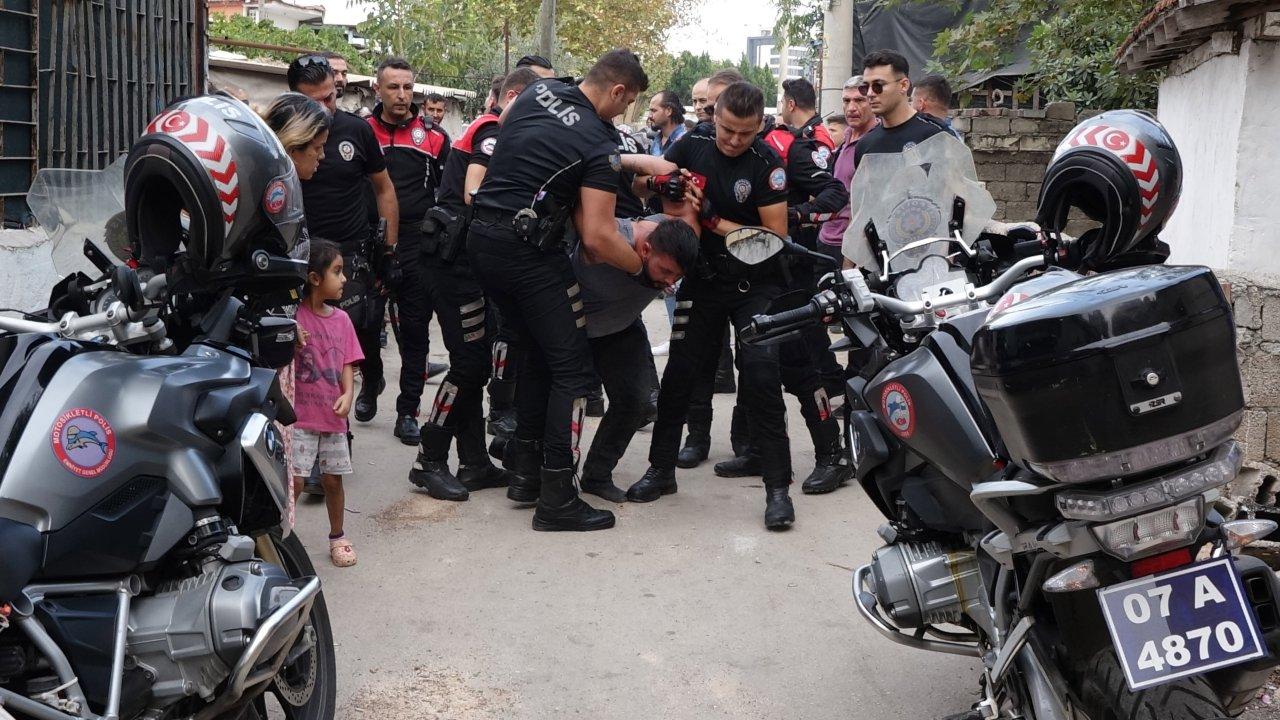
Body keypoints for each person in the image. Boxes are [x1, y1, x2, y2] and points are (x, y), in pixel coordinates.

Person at [468, 48, 648, 532]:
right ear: (617, 91)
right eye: (627, 103)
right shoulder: (598, 140)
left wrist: (630, 166)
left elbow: (535, 151)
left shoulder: (535, 92)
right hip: (528, 253)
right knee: (574, 372)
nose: (623, 113)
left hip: (481, 238)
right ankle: (558, 498)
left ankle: (525, 476)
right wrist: (644, 273)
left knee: (538, 358)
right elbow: (598, 236)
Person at [630, 81, 798, 530]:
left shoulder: (768, 163)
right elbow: (643, 184)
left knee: (761, 375)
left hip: (755, 285)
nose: (733, 140)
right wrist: (655, 184)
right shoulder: (696, 141)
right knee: (681, 373)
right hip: (702, 281)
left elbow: (775, 238)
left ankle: (778, 489)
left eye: (744, 133)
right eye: (727, 129)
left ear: (759, 126)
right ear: (714, 117)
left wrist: (713, 221)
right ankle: (661, 469)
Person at [407, 66, 540, 502]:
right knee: (469, 365)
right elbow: (474, 192)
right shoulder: (492, 130)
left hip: (468, 263)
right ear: (515, 95)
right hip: (453, 264)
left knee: (475, 361)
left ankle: (475, 462)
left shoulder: (500, 131)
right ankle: (429, 458)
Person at [713, 76, 848, 495]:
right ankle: (755, 448)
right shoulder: (717, 150)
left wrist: (793, 217)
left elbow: (835, 192)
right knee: (754, 365)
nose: (734, 137)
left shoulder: (794, 149)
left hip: (789, 274)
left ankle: (834, 455)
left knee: (800, 367)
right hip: (750, 275)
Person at [288, 55, 401, 428]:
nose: (324, 109)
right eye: (313, 102)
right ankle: (335, 430)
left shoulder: (356, 131)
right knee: (315, 342)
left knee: (360, 331)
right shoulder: (282, 134)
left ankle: (371, 379)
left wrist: (389, 250)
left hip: (350, 253)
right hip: (301, 254)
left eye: (329, 98)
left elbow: (384, 189)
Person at [574, 191, 701, 503]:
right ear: (645, 250)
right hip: (571, 327)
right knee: (565, 403)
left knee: (635, 399)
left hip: (620, 327)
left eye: (677, 276)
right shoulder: (604, 240)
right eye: (666, 272)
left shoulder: (673, 239)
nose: (669, 282)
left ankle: (597, 474)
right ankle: (542, 470)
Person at [367, 57, 452, 445]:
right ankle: (370, 382)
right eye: (393, 87)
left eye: (407, 88)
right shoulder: (361, 131)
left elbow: (449, 190)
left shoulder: (434, 136)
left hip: (418, 244)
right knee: (365, 325)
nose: (402, 96)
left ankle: (407, 411)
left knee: (415, 330)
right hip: (369, 243)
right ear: (377, 89)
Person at [291, 239, 365, 567]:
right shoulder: (293, 318)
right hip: (300, 418)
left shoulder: (342, 320)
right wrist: (292, 338)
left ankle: (337, 536)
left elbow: (348, 362)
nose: (345, 278)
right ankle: (279, 538)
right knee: (294, 480)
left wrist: (348, 395)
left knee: (333, 480)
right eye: (337, 271)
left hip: (333, 418)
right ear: (314, 278)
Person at [854, 50, 949, 169]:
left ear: (904, 85)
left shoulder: (935, 135)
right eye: (865, 87)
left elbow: (953, 185)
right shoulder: (864, 145)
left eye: (878, 86)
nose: (870, 93)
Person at [818, 75, 876, 262]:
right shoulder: (847, 136)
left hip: (851, 249)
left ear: (871, 102)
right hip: (826, 238)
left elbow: (865, 207)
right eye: (846, 100)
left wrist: (849, 262)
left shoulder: (877, 143)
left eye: (859, 100)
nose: (851, 107)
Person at [911, 73, 962, 140]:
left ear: (921, 104)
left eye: (912, 100)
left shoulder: (915, 134)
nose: (910, 105)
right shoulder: (954, 136)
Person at [647, 90, 686, 156]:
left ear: (668, 111)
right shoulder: (656, 140)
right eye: (650, 111)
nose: (649, 116)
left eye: (653, 111)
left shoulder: (686, 141)